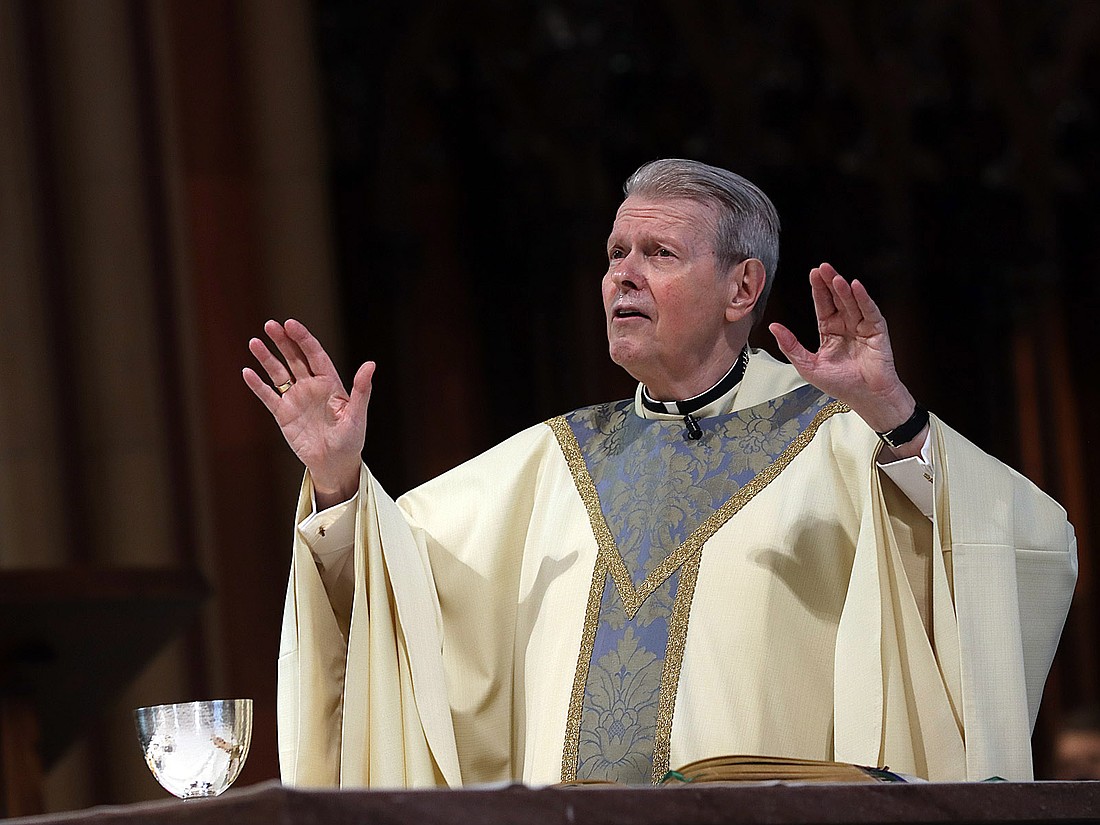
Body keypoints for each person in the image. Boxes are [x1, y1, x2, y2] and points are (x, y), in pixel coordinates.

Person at [244, 159, 1076, 788]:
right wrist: (339, 483)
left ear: (742, 284)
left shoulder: (844, 435)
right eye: (615, 253)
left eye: (658, 252)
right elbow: (396, 587)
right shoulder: (551, 460)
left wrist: (897, 416)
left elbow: (1021, 540)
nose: (622, 275)